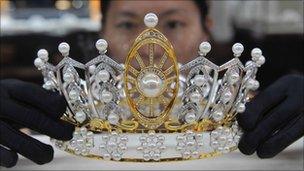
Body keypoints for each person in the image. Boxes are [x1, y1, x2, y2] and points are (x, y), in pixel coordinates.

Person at [0, 0, 303, 168]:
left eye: (173, 24)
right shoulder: (48, 114)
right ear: (100, 32)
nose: (151, 51)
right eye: (127, 24)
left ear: (207, 30)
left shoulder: (265, 112)